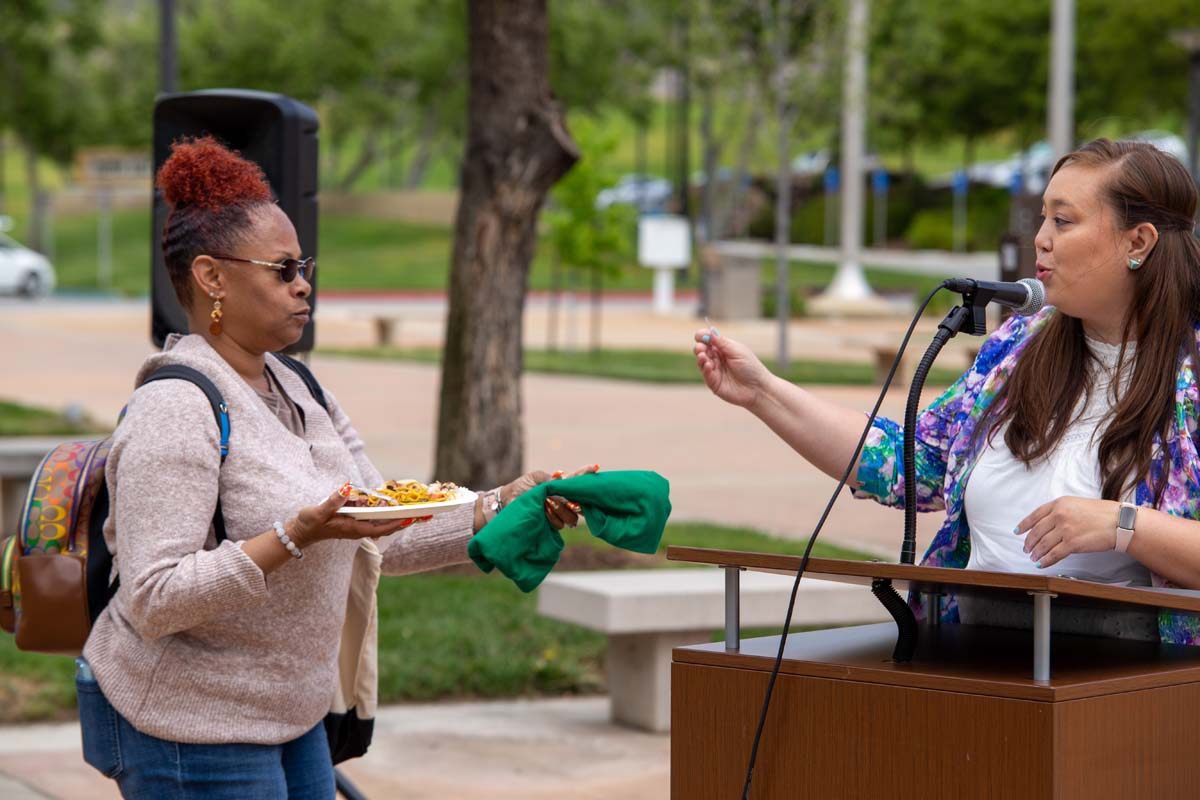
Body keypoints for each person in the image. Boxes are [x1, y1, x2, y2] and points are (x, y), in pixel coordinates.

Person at [77, 135, 591, 798]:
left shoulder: (300, 387)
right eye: (283, 269)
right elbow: (153, 599)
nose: (304, 285)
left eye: (306, 266)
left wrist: (504, 503)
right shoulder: (176, 408)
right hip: (189, 724)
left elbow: (386, 533)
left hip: (293, 718)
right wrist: (295, 537)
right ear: (211, 278)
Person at [695, 137, 1200, 643]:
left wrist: (1125, 524)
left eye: (1063, 221)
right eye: (1043, 218)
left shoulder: (1191, 375)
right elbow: (912, 463)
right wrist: (764, 392)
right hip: (970, 665)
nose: (1041, 239)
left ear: (1138, 242)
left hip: (1132, 692)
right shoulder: (1019, 346)